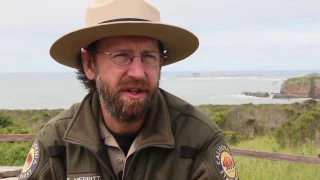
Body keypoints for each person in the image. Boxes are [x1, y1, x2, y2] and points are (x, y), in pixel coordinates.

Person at [19, 0, 239, 179]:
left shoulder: (198, 138)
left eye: (149, 57)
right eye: (121, 56)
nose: (138, 72)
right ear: (89, 64)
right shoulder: (57, 144)